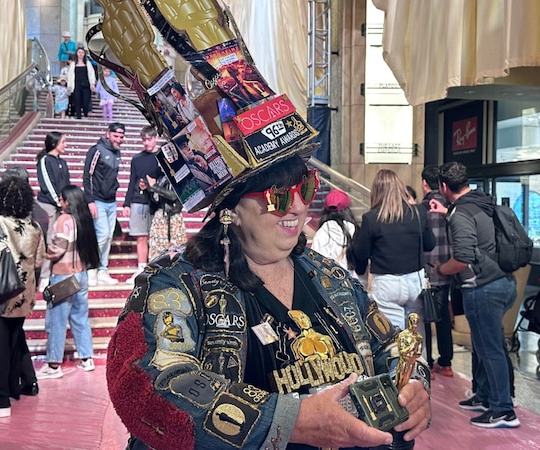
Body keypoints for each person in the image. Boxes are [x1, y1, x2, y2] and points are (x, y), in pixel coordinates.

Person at [106, 155, 431, 449]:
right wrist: (288, 421)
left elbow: (390, 344)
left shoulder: (332, 276)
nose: (298, 207)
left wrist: (412, 383)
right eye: (278, 196)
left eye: (305, 188)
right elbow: (148, 383)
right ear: (230, 210)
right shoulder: (175, 284)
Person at [430, 161, 520, 429]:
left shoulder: (460, 214)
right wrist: (447, 212)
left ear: (443, 187)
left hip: (484, 288)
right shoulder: (483, 201)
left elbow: (463, 257)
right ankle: (484, 394)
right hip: (504, 282)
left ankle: (503, 409)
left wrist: (441, 268)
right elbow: (477, 230)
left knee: (489, 349)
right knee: (485, 345)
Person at [0, 177, 45, 417]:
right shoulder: (35, 228)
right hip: (22, 298)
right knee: (10, 345)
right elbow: (38, 263)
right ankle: (9, 389)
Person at [352, 169, 435, 347]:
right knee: (416, 338)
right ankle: (420, 373)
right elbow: (430, 244)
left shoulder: (371, 218)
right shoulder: (419, 213)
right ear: (400, 188)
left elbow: (361, 253)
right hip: (415, 281)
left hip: (387, 283)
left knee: (394, 341)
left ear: (376, 191)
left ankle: (398, 374)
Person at [36, 185, 102, 380]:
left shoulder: (64, 219)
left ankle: (53, 364)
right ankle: (86, 358)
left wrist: (43, 252)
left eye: (62, 198)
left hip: (63, 276)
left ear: (67, 201)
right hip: (81, 275)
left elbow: (57, 248)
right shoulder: (83, 220)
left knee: (57, 320)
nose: (60, 200)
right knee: (80, 317)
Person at [419, 166, 454, 378]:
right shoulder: (450, 206)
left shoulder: (422, 208)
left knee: (424, 318)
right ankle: (446, 362)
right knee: (442, 317)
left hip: (425, 272)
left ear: (424, 183)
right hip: (447, 268)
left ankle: (428, 361)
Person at [83, 122, 125, 286]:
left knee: (108, 237)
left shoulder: (117, 152)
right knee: (102, 236)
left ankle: (102, 269)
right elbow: (87, 176)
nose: (119, 139)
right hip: (98, 200)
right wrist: (90, 200)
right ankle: (91, 268)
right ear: (108, 134)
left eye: (121, 137)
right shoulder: (96, 150)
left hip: (111, 201)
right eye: (116, 136)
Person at [122, 126, 162, 283]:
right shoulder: (137, 159)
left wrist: (152, 185)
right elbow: (132, 181)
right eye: (144, 140)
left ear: (155, 138)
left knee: (156, 237)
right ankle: (141, 267)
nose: (146, 143)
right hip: (138, 201)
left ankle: (156, 267)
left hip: (157, 201)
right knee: (141, 237)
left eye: (149, 139)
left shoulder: (161, 157)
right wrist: (126, 203)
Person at [36, 131, 72, 292]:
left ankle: (57, 273)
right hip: (49, 206)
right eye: (63, 142)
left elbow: (67, 185)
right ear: (54, 144)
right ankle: (44, 277)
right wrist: (59, 203)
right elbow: (47, 184)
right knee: (50, 240)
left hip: (61, 206)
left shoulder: (62, 162)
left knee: (61, 239)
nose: (65, 144)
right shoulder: (45, 160)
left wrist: (67, 203)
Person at [309, 189, 361, 281]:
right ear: (347, 209)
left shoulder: (322, 232)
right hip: (354, 284)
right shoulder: (354, 229)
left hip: (330, 285)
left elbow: (314, 262)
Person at [146, 174, 187, 260]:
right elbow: (156, 198)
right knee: (157, 248)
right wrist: (149, 188)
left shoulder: (177, 178)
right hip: (160, 215)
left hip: (173, 216)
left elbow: (173, 195)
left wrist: (154, 186)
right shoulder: (160, 178)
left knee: (177, 247)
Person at [66, 47, 96, 119]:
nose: (80, 54)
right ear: (76, 53)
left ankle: (85, 114)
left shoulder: (88, 63)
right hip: (76, 85)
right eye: (79, 52)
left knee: (86, 101)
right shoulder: (73, 64)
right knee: (77, 100)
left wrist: (92, 83)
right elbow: (70, 75)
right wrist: (69, 85)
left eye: (82, 52)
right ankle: (78, 116)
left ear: (84, 54)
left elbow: (92, 74)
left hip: (86, 85)